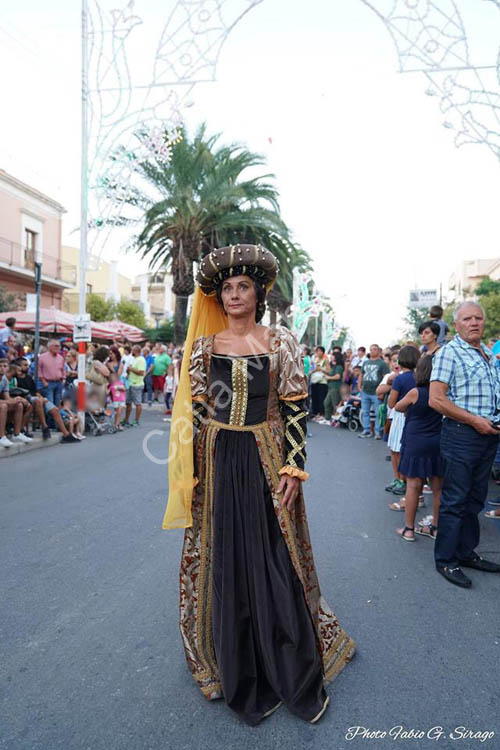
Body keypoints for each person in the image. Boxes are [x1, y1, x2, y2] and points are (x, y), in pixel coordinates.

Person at [163, 244, 355, 726]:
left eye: (242, 286)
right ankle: (235, 658)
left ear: (258, 293)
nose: (233, 295)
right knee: (224, 553)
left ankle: (286, 655)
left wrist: (294, 466)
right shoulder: (206, 348)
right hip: (219, 458)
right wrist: (191, 468)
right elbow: (198, 411)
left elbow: (294, 408)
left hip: (268, 458)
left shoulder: (281, 342)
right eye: (226, 288)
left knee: (273, 551)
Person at [429, 300, 500, 587]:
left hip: (487, 435)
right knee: (456, 499)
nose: (474, 323)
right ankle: (445, 560)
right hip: (462, 435)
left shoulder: (488, 355)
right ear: (456, 325)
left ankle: (465, 552)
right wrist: (474, 420)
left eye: (478, 318)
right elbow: (436, 399)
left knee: (474, 499)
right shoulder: (449, 353)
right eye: (468, 319)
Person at [393, 355, 443, 541]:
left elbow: (398, 407)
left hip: (416, 442)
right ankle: (436, 528)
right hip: (438, 441)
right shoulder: (443, 393)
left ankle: (408, 529)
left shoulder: (416, 392)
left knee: (413, 486)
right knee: (438, 488)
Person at [13, 357, 79, 442]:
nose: (27, 367)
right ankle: (45, 427)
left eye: (27, 365)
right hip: (25, 399)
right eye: (25, 365)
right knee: (38, 401)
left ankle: (66, 434)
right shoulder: (15, 379)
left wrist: (41, 397)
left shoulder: (28, 378)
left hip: (35, 398)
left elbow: (35, 391)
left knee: (54, 409)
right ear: (18, 366)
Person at [386, 346, 420, 502]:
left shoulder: (399, 379)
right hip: (415, 416)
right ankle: (405, 482)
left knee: (395, 449)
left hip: (400, 415)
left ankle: (399, 480)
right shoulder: (419, 377)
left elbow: (392, 402)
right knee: (404, 450)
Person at [358, 345, 389, 438]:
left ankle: (377, 432)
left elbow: (385, 378)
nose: (372, 351)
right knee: (365, 412)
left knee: (378, 413)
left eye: (374, 349)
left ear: (379, 351)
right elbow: (361, 375)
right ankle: (366, 430)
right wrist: (359, 386)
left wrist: (382, 392)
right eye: (371, 349)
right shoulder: (365, 362)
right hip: (365, 391)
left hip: (376, 392)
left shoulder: (382, 364)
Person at [0, 358, 32, 445]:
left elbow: (7, 397)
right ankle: (1, 436)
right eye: (0, 366)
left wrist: (17, 399)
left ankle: (17, 433)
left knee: (19, 405)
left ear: (8, 368)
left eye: (5, 366)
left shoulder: (4, 380)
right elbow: (6, 402)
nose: (2, 368)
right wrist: (9, 402)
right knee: (3, 406)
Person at [38, 339, 65, 407]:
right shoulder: (42, 357)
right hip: (48, 383)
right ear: (50, 347)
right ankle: (50, 417)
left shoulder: (60, 358)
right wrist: (44, 382)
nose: (58, 348)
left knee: (57, 403)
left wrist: (63, 379)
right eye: (56, 346)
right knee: (50, 403)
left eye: (59, 346)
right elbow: (39, 371)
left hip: (59, 383)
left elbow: (63, 370)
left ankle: (55, 417)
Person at [124, 344, 146, 427]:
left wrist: (131, 369)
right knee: (128, 402)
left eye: (132, 350)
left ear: (136, 351)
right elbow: (131, 370)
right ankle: (126, 419)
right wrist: (128, 371)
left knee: (137, 403)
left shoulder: (141, 360)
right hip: (130, 383)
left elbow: (141, 372)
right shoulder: (133, 359)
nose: (131, 352)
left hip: (137, 384)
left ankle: (136, 420)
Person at [322, 351, 344, 423]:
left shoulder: (339, 367)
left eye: (333, 355)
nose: (331, 356)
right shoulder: (334, 366)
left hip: (335, 387)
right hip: (331, 387)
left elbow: (338, 376)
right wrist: (324, 372)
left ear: (336, 357)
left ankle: (337, 420)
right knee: (326, 402)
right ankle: (327, 419)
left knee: (335, 404)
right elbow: (331, 373)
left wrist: (328, 378)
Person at [310, 346, 328, 419]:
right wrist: (314, 370)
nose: (318, 353)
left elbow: (328, 371)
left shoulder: (326, 360)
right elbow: (312, 369)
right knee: (314, 398)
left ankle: (321, 414)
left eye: (320, 351)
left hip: (322, 381)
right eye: (317, 351)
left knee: (321, 398)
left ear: (323, 352)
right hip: (314, 380)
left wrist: (321, 369)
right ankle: (315, 413)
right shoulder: (314, 359)